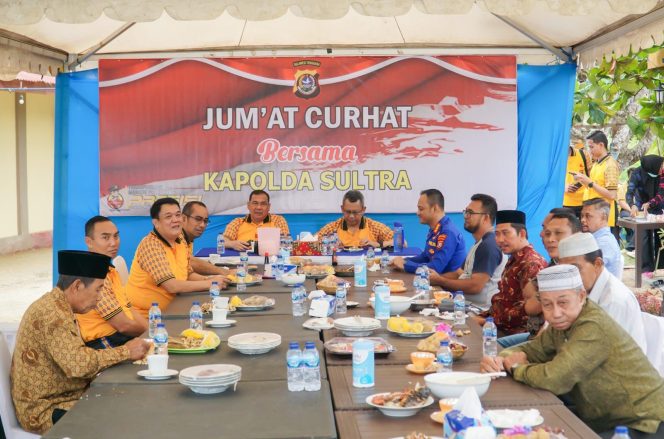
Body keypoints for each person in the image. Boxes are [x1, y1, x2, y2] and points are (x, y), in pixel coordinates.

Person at [481, 264, 664, 437]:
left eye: (563, 302)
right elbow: (533, 349)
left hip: (642, 422)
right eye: (547, 305)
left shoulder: (592, 326)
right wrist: (501, 359)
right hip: (601, 415)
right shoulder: (563, 324)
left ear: (582, 296)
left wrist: (516, 368)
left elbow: (556, 378)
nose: (556, 313)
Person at [11, 250, 150, 434]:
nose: (100, 297)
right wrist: (125, 352)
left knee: (127, 399)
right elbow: (78, 366)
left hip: (68, 393)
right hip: (46, 409)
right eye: (98, 289)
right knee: (122, 417)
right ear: (77, 286)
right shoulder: (53, 315)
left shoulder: (58, 304)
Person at [126, 198, 227, 318]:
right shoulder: (151, 245)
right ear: (156, 222)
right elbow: (172, 286)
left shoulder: (180, 241)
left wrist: (211, 279)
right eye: (168, 217)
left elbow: (188, 274)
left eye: (177, 215)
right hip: (147, 317)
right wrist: (210, 284)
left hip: (175, 307)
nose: (175, 220)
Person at [499, 209, 581, 347]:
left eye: (558, 233)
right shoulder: (553, 265)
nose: (547, 237)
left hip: (540, 338)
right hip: (534, 333)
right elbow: (528, 297)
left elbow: (531, 307)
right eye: (546, 231)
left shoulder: (534, 262)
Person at [557, 232, 647, 353]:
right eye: (565, 271)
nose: (570, 278)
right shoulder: (584, 290)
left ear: (597, 264)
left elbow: (593, 355)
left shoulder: (613, 300)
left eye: (575, 269)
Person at [76, 216, 147, 349]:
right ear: (89, 242)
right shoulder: (91, 275)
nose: (113, 243)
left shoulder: (110, 270)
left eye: (116, 236)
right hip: (104, 342)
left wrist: (153, 333)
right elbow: (123, 325)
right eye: (105, 237)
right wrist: (152, 336)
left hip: (122, 335)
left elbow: (129, 308)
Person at [428, 193, 505, 311]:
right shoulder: (480, 243)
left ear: (486, 217)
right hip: (465, 305)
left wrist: (440, 281)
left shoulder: (489, 245)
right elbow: (460, 273)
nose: (466, 216)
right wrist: (432, 279)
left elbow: (475, 286)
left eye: (471, 213)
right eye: (466, 212)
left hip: (479, 311)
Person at [479, 210, 547, 335]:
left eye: (505, 233)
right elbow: (505, 300)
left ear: (522, 233)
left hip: (513, 332)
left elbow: (525, 313)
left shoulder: (531, 263)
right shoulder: (515, 258)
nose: (499, 240)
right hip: (496, 323)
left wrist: (485, 322)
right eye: (497, 234)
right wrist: (484, 317)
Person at [390, 189, 465, 274]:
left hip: (445, 286)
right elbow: (425, 257)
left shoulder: (448, 232)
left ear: (434, 208)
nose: (417, 213)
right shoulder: (436, 228)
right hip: (434, 283)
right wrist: (403, 261)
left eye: (421, 209)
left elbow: (435, 268)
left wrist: (405, 265)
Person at [572, 130, 619, 229]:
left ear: (601, 145)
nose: (589, 150)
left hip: (604, 217)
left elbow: (612, 194)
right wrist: (582, 179)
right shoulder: (597, 163)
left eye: (591, 147)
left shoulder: (610, 165)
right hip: (594, 214)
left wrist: (590, 182)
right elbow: (593, 186)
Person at [315, 190, 393, 248]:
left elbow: (402, 242)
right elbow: (310, 242)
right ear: (342, 209)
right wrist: (328, 244)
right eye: (348, 212)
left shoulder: (374, 227)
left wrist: (378, 244)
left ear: (363, 210)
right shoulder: (333, 227)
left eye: (356, 212)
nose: (351, 216)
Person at [628, 155, 664, 270]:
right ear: (652, 167)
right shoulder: (637, 173)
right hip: (642, 206)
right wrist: (632, 205)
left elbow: (661, 194)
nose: (661, 169)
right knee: (644, 236)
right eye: (660, 167)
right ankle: (646, 268)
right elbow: (630, 192)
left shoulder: (662, 174)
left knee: (661, 235)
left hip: (659, 205)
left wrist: (650, 203)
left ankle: (661, 267)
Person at [223, 190, 290, 252]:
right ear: (248, 205)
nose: (259, 207)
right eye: (255, 203)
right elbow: (222, 242)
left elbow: (287, 244)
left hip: (270, 259)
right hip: (243, 260)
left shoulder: (278, 220)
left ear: (269, 207)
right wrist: (232, 244)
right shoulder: (238, 222)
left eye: (263, 204)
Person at [182, 201, 232, 276]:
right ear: (183, 218)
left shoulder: (189, 237)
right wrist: (225, 272)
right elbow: (189, 261)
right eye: (198, 219)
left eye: (205, 221)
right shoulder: (176, 237)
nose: (202, 225)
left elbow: (188, 270)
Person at [581, 198, 623, 279]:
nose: (582, 220)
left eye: (588, 216)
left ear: (603, 217)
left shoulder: (604, 242)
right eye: (582, 216)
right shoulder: (597, 238)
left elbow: (587, 275)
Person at [563, 142, 592, 218]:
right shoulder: (555, 157)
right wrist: (563, 187)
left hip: (584, 202)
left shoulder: (583, 154)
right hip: (565, 204)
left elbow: (591, 176)